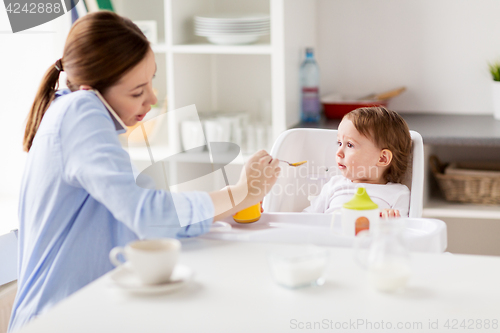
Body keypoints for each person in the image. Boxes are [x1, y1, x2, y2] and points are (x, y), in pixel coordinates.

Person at [8, 12, 280, 332]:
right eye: (137, 91)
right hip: (57, 320)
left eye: (151, 82)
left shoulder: (73, 113)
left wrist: (244, 194)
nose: (152, 99)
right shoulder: (80, 112)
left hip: (79, 312)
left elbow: (143, 220)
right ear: (90, 89)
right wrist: (237, 192)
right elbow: (147, 215)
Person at [303, 106, 412, 218]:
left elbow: (403, 231)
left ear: (382, 158)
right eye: (339, 143)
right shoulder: (334, 185)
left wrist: (391, 221)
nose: (338, 152)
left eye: (350, 145)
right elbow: (306, 219)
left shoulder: (397, 194)